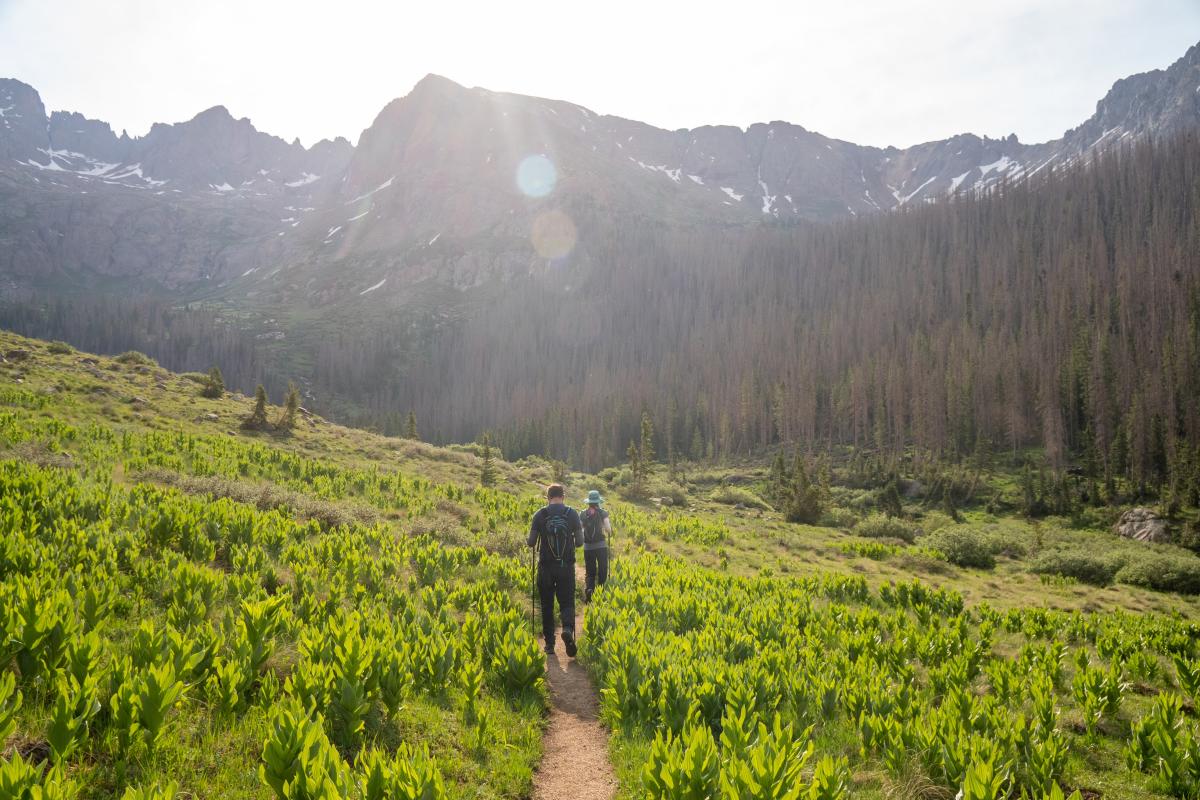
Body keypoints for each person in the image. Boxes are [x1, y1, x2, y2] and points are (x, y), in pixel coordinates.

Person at [528, 484, 583, 656]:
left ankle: (550, 644)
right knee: (567, 601)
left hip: (545, 568)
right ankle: (567, 628)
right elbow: (580, 542)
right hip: (565, 567)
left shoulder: (540, 514)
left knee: (547, 605)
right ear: (563, 496)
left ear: (548, 497)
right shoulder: (572, 514)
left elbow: (531, 542)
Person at [580, 489, 611, 602]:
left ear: (588, 502)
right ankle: (601, 592)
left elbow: (580, 530)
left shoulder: (583, 513)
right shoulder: (603, 512)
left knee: (590, 571)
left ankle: (589, 589)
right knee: (603, 569)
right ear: (598, 501)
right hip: (601, 546)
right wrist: (609, 532)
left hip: (588, 547)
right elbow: (608, 529)